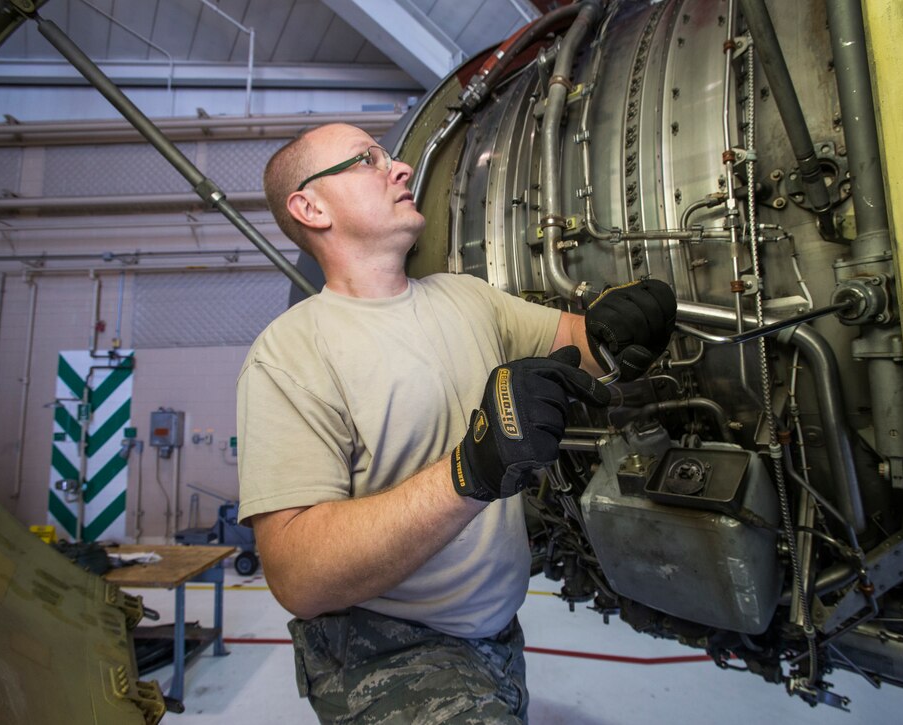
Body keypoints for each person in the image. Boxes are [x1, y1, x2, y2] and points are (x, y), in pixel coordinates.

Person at [237, 123, 676, 723]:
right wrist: (473, 469)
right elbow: (298, 574)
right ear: (310, 207)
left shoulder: (466, 299)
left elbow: (580, 345)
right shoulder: (289, 354)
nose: (400, 169)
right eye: (367, 161)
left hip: (496, 635)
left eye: (390, 156)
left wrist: (622, 326)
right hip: (387, 650)